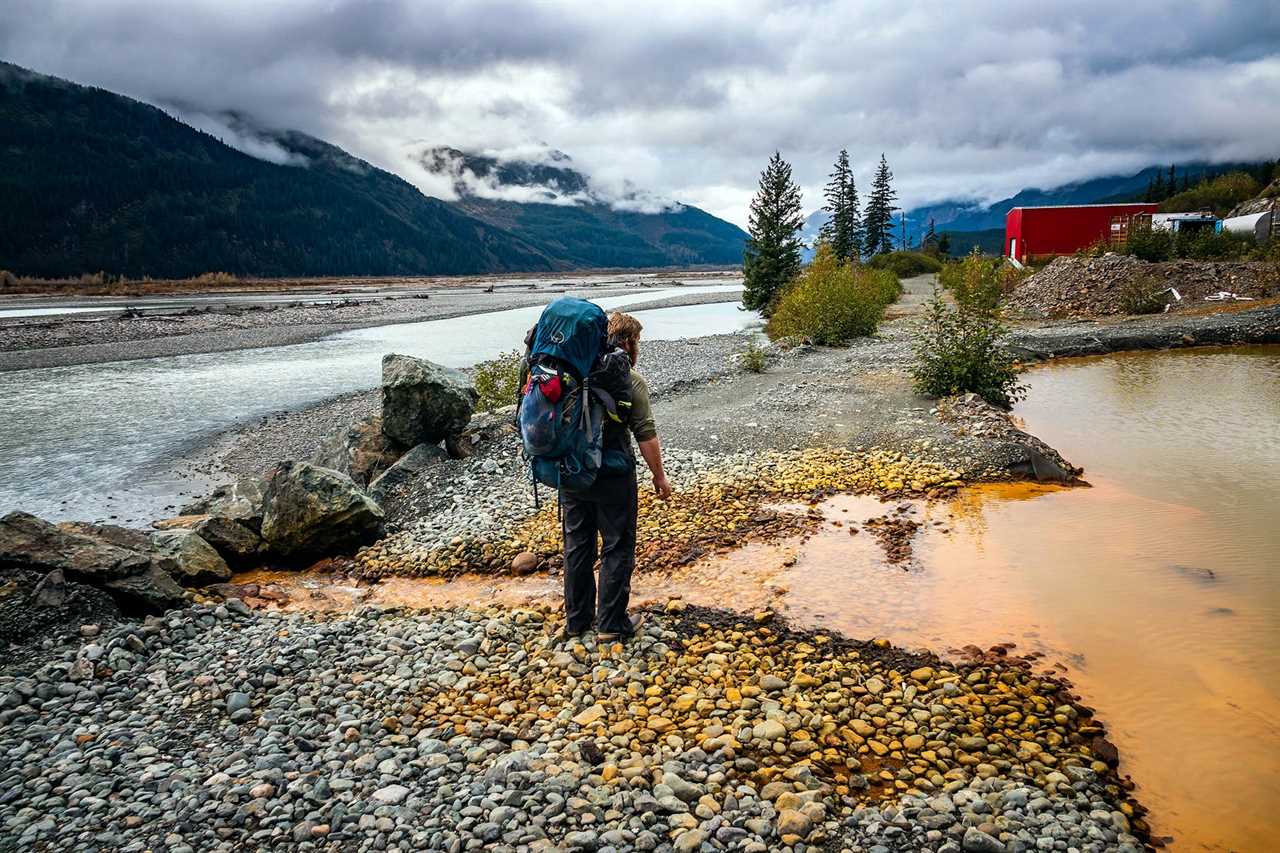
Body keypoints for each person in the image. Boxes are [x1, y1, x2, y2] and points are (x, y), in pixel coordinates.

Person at [559, 311, 672, 643]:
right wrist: (659, 477)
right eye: (637, 342)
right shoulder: (628, 379)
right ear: (628, 342)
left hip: (572, 473)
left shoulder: (570, 372)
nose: (637, 349)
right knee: (617, 544)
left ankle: (577, 621)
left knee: (577, 545)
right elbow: (645, 432)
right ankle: (611, 623)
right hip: (613, 473)